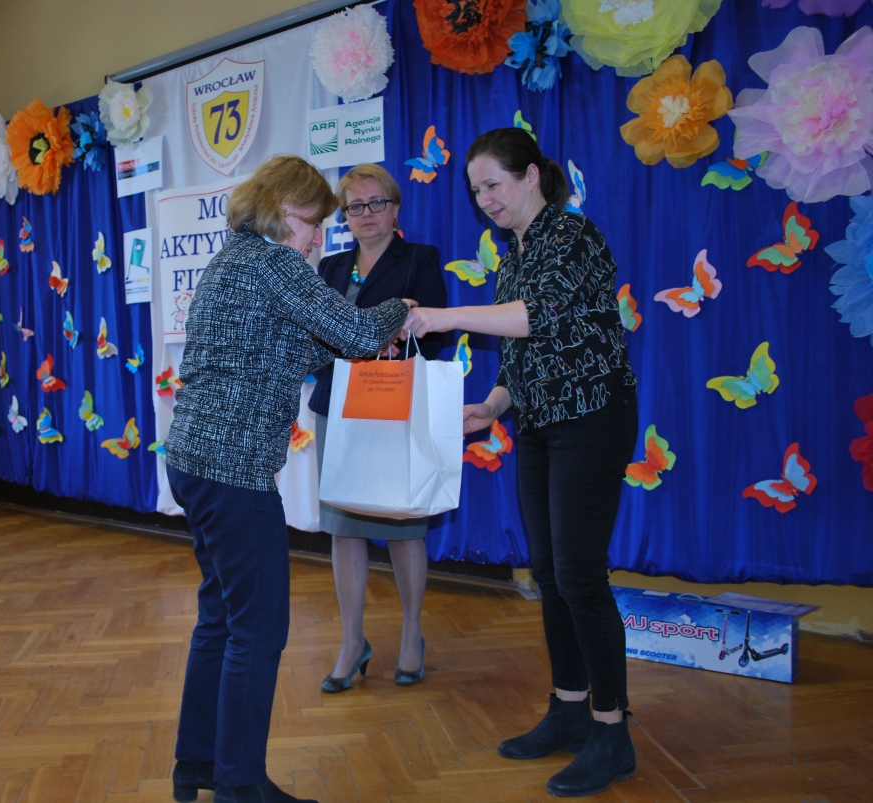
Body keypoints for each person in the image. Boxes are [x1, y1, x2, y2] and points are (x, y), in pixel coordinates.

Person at [164, 155, 411, 803]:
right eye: (312, 222)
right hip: (234, 472)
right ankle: (240, 783)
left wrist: (363, 337)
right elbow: (356, 330)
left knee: (221, 617)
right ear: (280, 210)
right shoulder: (274, 265)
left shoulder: (232, 261)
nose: (318, 238)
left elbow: (300, 346)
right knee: (259, 628)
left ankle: (198, 763)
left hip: (193, 463)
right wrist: (403, 309)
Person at [403, 128, 639, 798]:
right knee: (550, 573)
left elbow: (539, 315)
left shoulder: (571, 234)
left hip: (591, 416)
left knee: (581, 575)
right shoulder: (514, 255)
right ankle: (569, 709)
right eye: (475, 190)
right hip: (539, 423)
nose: (484, 199)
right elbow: (523, 352)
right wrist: (493, 405)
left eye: (493, 184)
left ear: (531, 175)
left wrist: (442, 315)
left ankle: (612, 733)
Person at [308, 163, 448, 692]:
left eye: (376, 203)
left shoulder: (420, 259)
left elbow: (434, 334)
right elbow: (317, 335)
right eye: (355, 206)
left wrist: (386, 338)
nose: (366, 214)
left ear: (395, 208)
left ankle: (412, 636)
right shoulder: (330, 266)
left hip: (394, 405)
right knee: (344, 528)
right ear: (344, 215)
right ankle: (352, 643)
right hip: (337, 406)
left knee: (403, 527)